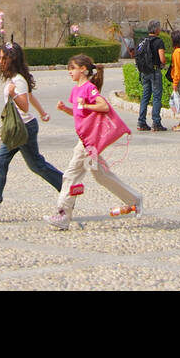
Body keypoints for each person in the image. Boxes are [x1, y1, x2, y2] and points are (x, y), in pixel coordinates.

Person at [45, 54, 142, 229]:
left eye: (72, 68)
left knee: (71, 175)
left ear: (83, 70)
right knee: (101, 175)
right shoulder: (75, 90)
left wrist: (87, 105)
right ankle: (134, 199)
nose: (69, 72)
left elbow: (104, 106)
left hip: (86, 143)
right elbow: (78, 113)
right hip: (85, 139)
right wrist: (65, 108)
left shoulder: (89, 88)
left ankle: (63, 214)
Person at [0, 42, 62, 217]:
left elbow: (24, 105)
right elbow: (30, 95)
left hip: (23, 129)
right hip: (19, 128)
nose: (0, 62)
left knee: (33, 164)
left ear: (11, 59)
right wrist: (43, 112)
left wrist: (13, 94)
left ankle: (66, 186)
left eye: (2, 58)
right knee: (10, 162)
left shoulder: (18, 81)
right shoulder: (18, 78)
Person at [136, 18, 168, 131]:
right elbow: (162, 59)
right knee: (157, 97)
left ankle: (141, 122)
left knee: (145, 97)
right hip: (154, 71)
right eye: (159, 27)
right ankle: (156, 122)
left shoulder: (143, 41)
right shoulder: (159, 42)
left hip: (144, 72)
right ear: (156, 29)